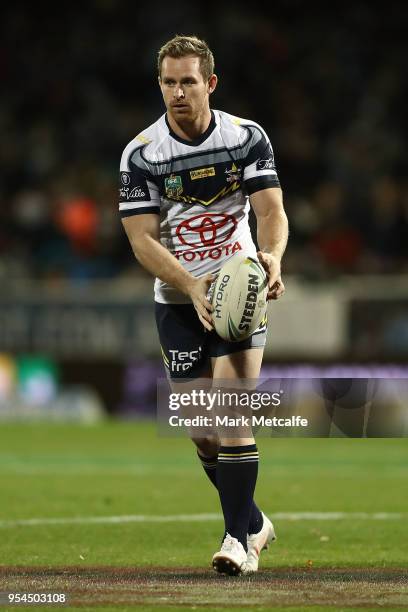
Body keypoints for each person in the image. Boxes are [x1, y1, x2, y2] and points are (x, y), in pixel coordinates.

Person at [119, 35, 288, 575]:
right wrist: (191, 286)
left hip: (238, 288)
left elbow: (271, 211)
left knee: (230, 410)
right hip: (177, 296)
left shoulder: (245, 138)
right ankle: (254, 519)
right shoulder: (142, 153)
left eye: (188, 81)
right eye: (169, 82)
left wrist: (274, 257)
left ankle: (238, 541)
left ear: (210, 83)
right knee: (201, 428)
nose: (177, 92)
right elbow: (142, 239)